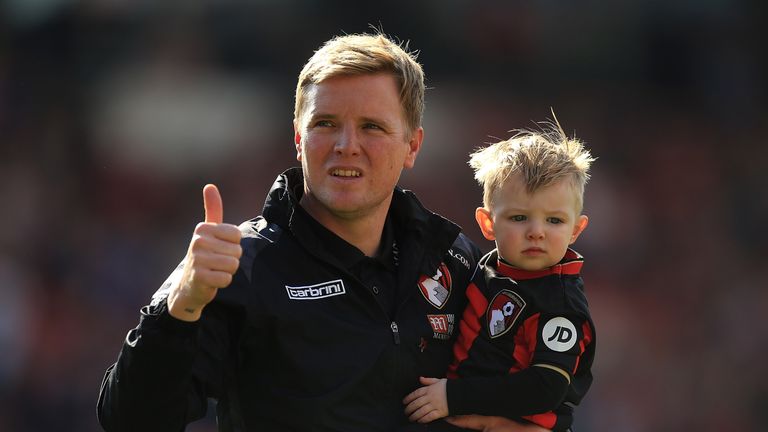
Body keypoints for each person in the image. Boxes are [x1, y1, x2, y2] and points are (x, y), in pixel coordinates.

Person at [97, 32, 549, 432]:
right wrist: (179, 309)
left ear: (412, 146)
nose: (345, 145)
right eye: (325, 124)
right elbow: (131, 421)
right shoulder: (239, 264)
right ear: (298, 138)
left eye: (371, 127)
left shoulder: (454, 260)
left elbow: (542, 382)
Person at [402, 119, 596, 431]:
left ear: (576, 230)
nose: (536, 232)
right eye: (519, 217)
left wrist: (455, 396)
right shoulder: (482, 267)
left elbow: (545, 386)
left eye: (554, 221)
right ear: (487, 223)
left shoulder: (559, 305)